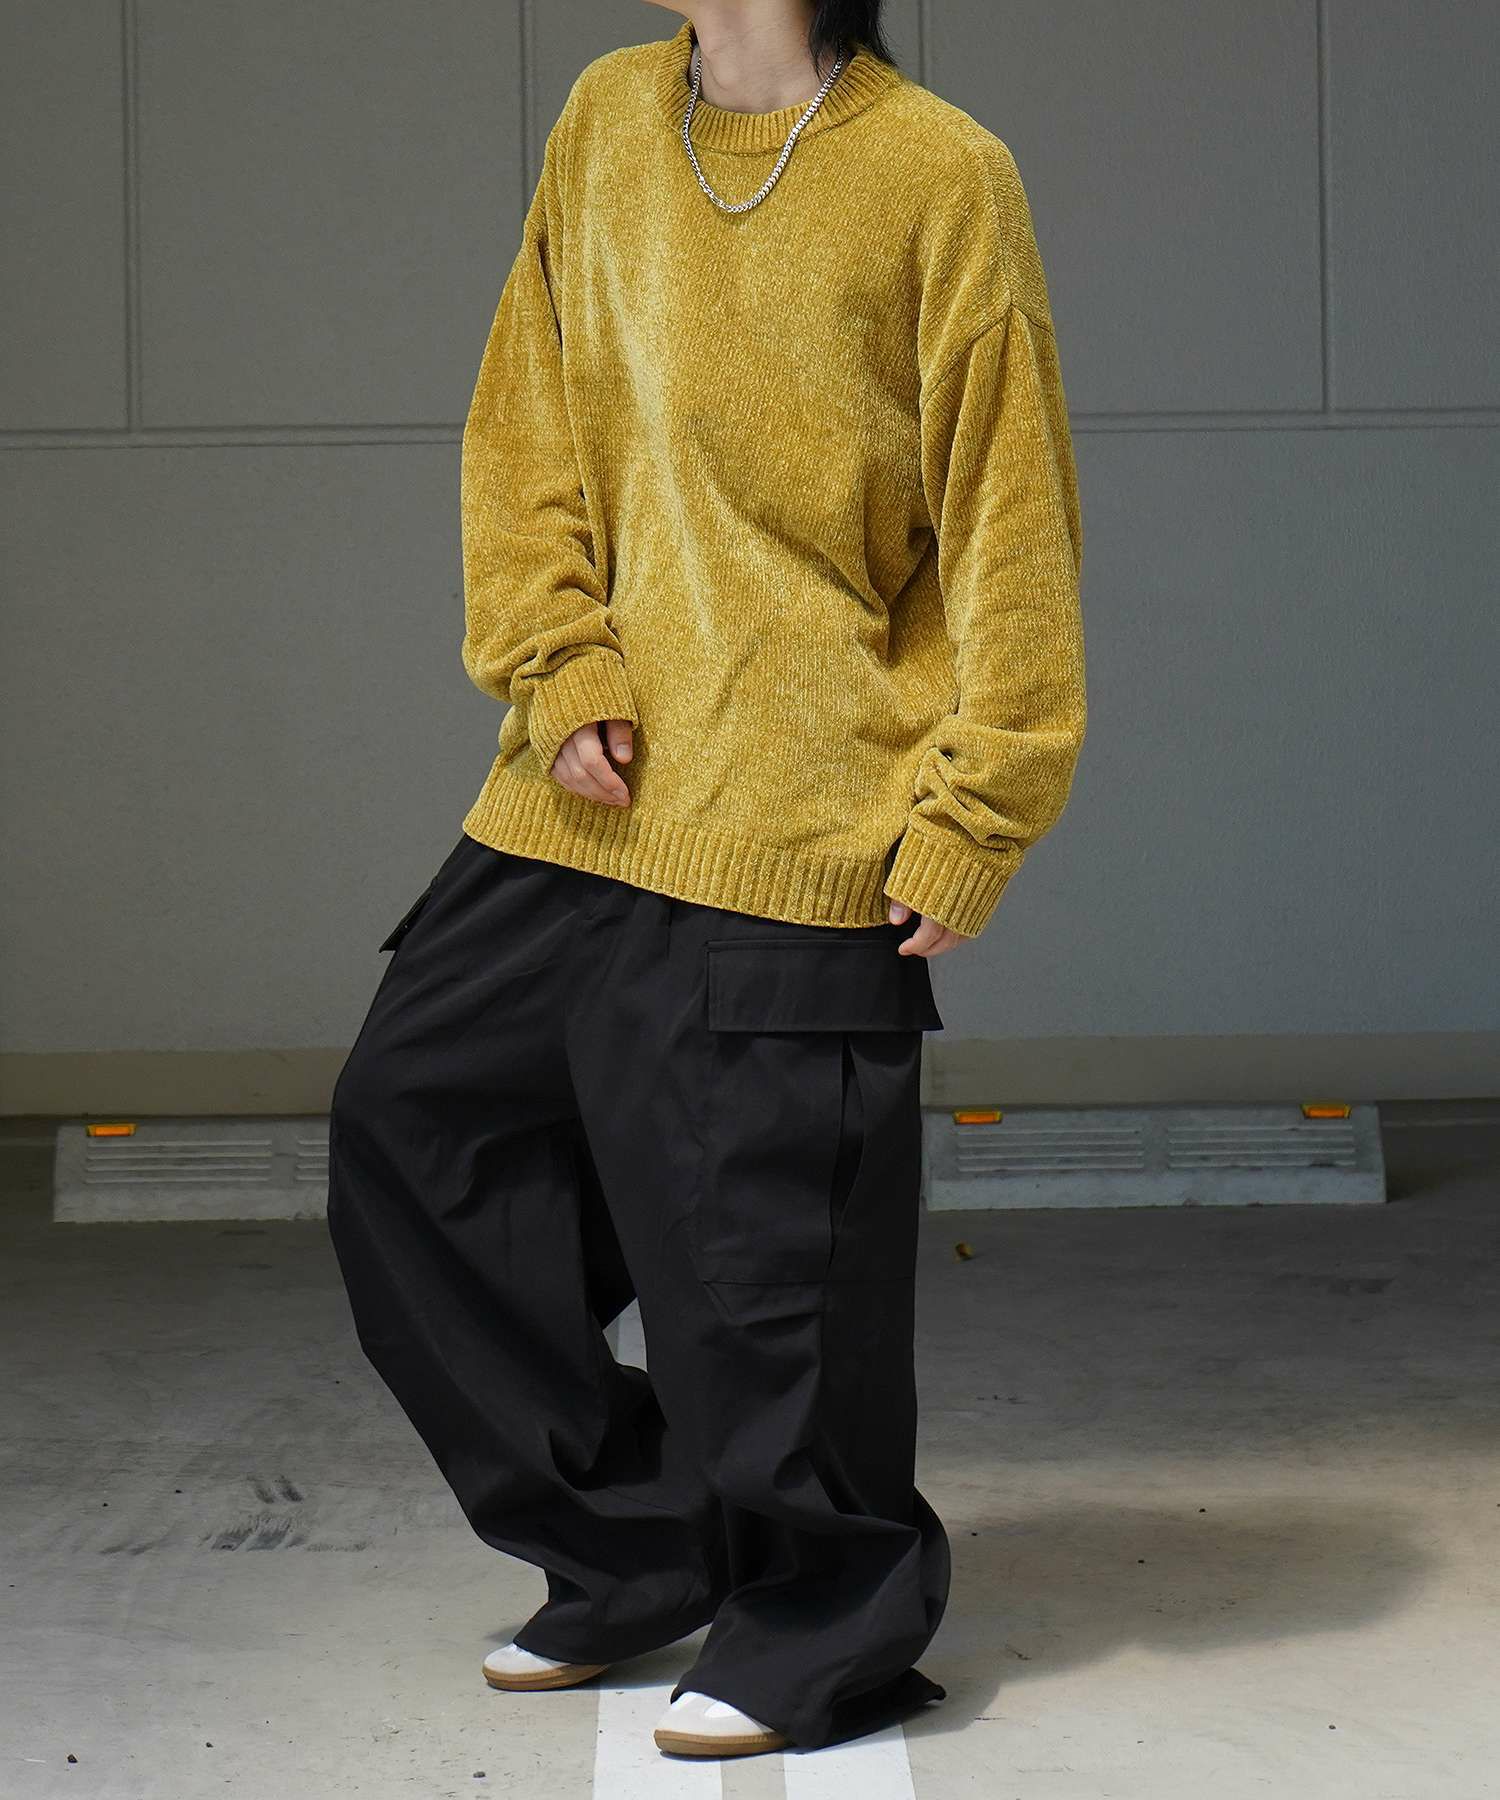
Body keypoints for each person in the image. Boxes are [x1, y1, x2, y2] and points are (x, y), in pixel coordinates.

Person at [325, 0, 1086, 1760]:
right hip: (584, 795)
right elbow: (523, 428)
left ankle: (826, 1621)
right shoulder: (607, 119)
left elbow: (1010, 521)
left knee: (759, 1270)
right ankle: (633, 1544)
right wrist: (559, 657)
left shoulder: (940, 175)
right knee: (413, 1135)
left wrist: (981, 806)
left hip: (809, 804)